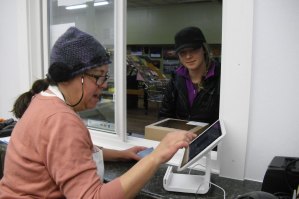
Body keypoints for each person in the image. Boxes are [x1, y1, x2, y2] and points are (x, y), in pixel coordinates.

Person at [0, 27, 196, 198]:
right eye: (99, 77)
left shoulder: (43, 101)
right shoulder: (60, 120)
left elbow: (72, 153)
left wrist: (121, 154)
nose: (103, 85)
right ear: (69, 76)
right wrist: (157, 156)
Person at [159, 26, 221, 124]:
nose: (188, 56)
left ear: (203, 49)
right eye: (183, 52)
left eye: (193, 50)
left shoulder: (221, 78)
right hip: (181, 137)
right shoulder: (175, 80)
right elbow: (164, 115)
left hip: (210, 138)